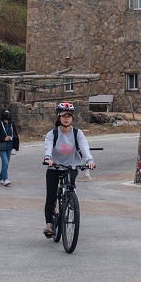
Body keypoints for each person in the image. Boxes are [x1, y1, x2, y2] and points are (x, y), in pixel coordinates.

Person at [42, 102, 95, 239]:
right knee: (51, 196)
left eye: (69, 116)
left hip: (71, 166)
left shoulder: (77, 133)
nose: (66, 119)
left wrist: (89, 160)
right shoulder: (52, 134)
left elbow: (84, 148)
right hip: (54, 167)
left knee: (70, 188)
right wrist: (48, 158)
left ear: (72, 118)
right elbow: (48, 147)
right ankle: (49, 225)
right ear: (58, 117)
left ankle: (70, 200)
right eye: (63, 116)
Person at [0, 108, 19, 186]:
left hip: (9, 145)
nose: (7, 116)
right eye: (6, 114)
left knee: (6, 163)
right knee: (5, 161)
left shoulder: (11, 124)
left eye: (8, 114)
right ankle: (5, 179)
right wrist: (3, 138)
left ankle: (1, 178)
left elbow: (15, 134)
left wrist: (16, 145)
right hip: (1, 146)